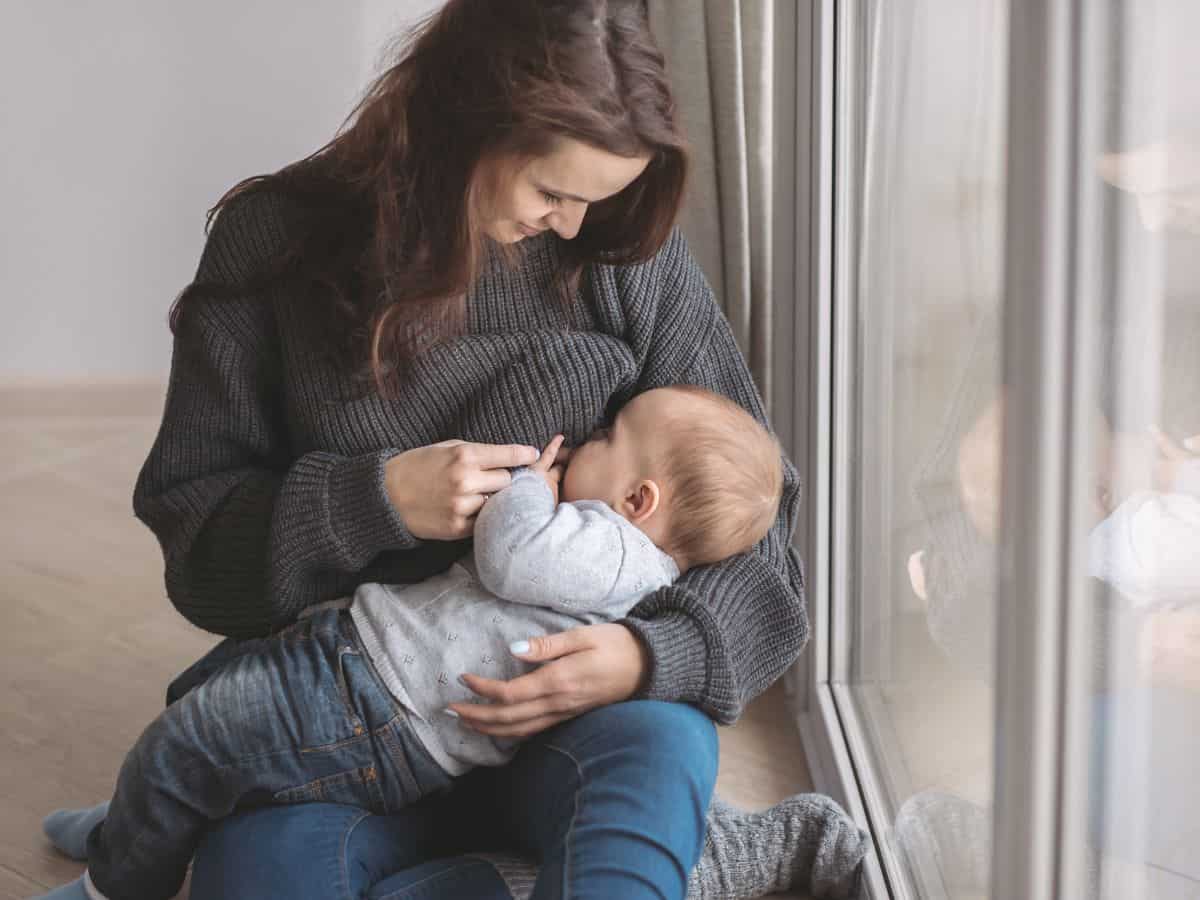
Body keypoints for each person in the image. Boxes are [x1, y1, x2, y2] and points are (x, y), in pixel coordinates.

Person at [38, 2, 868, 898]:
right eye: (553, 192)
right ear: (461, 122)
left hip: (576, 725)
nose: (575, 226)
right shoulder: (272, 245)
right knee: (258, 880)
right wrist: (372, 499)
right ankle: (644, 868)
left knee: (662, 746)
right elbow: (199, 552)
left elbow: (756, 528)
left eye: (599, 199)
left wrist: (646, 659)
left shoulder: (623, 254)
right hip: (343, 723)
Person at [38, 386, 865, 900]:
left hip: (386, 713)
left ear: (641, 498)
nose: (584, 441)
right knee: (236, 807)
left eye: (605, 438)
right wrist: (374, 496)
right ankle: (150, 817)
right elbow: (200, 534)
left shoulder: (611, 546)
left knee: (194, 743)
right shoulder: (616, 536)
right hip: (375, 689)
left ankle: (121, 870)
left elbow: (513, 555)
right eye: (550, 190)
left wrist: (529, 494)